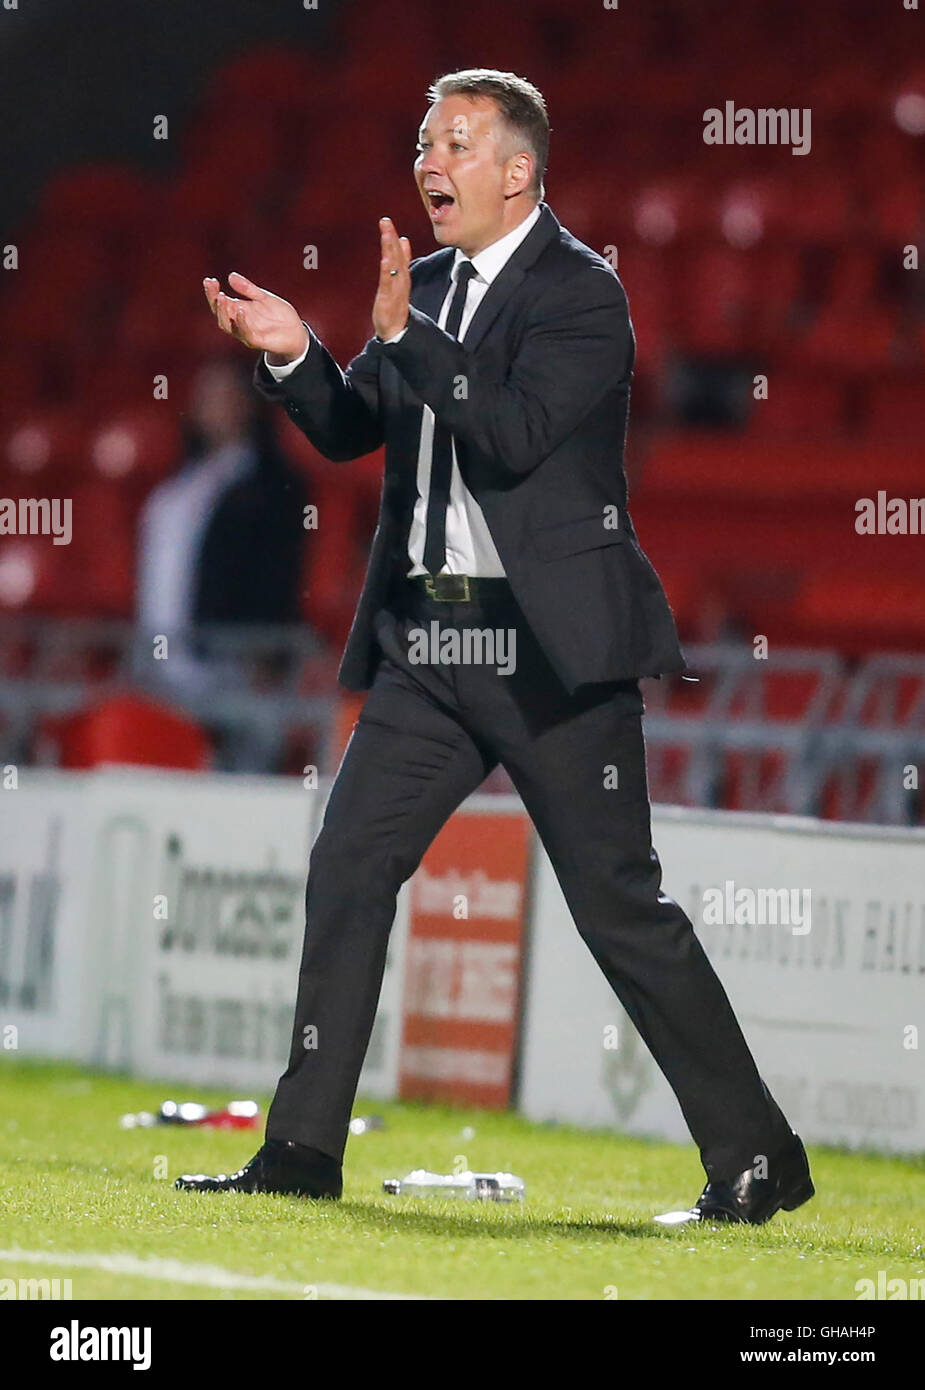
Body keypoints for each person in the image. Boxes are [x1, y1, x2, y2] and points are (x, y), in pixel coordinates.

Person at [177, 69, 813, 1226]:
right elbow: (351, 426)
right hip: (429, 641)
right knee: (348, 863)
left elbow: (512, 431)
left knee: (619, 907)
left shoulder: (583, 295)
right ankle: (303, 1150)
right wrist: (293, 357)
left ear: (517, 172)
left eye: (456, 142)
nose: (429, 160)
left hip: (549, 652)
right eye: (423, 141)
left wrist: (404, 339)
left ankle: (758, 1158)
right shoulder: (417, 290)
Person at [136, 357, 308, 765]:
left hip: (231, 659)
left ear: (249, 403)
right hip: (163, 658)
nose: (215, 406)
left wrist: (265, 652)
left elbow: (278, 571)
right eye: (206, 397)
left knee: (232, 777)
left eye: (226, 395)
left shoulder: (272, 484)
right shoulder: (180, 485)